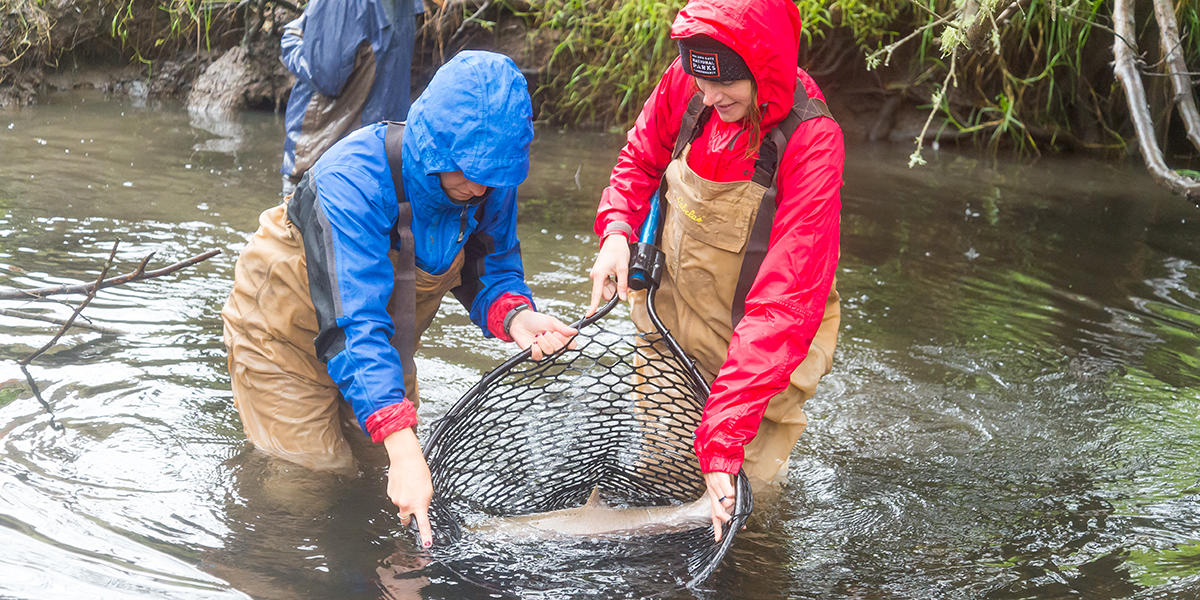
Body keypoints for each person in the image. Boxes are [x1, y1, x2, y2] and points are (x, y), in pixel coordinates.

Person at [222, 51, 577, 548]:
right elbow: (353, 323)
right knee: (312, 479)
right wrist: (398, 436)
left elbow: (488, 265)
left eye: (492, 176)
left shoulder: (490, 181)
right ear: (434, 143)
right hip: (284, 332)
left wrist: (515, 315)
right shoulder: (351, 182)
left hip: (384, 339)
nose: (479, 187)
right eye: (468, 171)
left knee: (380, 476)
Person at [586, 0, 844, 541]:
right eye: (700, 83)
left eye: (726, 86)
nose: (707, 97)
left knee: (746, 510)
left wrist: (725, 434)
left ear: (765, 69)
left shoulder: (812, 142)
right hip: (672, 319)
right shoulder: (693, 77)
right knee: (666, 473)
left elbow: (784, 305)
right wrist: (616, 231)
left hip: (768, 348)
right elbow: (640, 159)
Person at [279, 0, 422, 195]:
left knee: (300, 220)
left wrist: (291, 37)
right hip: (381, 155)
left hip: (327, 158)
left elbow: (324, 76)